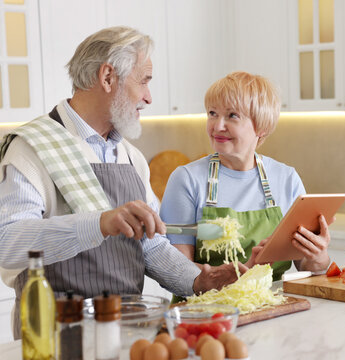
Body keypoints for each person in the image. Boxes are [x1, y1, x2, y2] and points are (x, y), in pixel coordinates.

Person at [0, 26, 245, 339]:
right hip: (54, 335)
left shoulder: (130, 156)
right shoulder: (31, 147)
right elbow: (7, 244)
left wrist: (200, 280)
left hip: (126, 331)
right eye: (143, 81)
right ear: (107, 77)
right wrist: (100, 223)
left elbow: (151, 246)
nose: (148, 96)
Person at [160, 71, 331, 287]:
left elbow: (306, 264)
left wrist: (318, 256)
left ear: (261, 127)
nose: (218, 125)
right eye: (212, 113)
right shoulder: (186, 180)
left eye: (232, 115)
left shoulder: (286, 179)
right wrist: (231, 277)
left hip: (271, 306)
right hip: (206, 310)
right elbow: (177, 267)